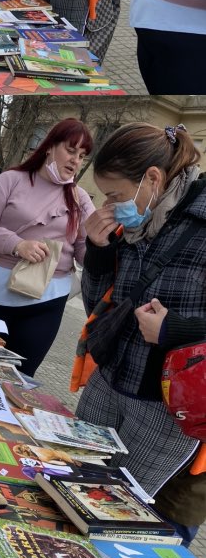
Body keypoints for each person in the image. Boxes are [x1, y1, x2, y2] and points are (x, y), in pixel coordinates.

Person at [76, 123, 206, 504]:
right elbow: (99, 309)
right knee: (72, 472)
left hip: (165, 406)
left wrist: (174, 329)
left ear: (152, 178)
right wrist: (98, 250)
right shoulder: (135, 225)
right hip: (108, 380)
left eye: (115, 195)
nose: (109, 207)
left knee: (115, 505)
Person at [0, 118, 95, 377]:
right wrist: (17, 245)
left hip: (45, 301)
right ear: (49, 146)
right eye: (70, 150)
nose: (75, 160)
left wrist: (102, 247)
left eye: (81, 156)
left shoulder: (80, 198)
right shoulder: (11, 180)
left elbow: (84, 249)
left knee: (19, 378)